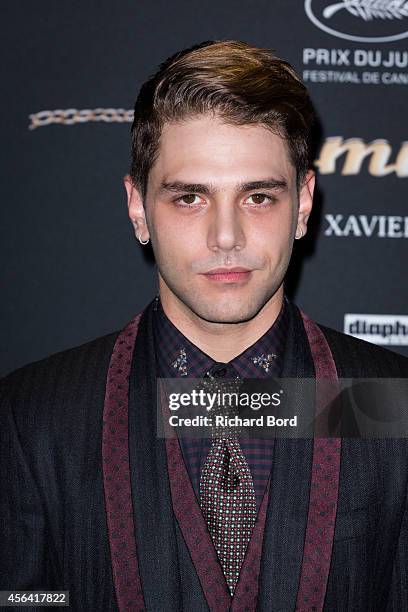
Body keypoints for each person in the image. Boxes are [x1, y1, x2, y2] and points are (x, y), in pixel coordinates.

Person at [1, 39, 407, 612]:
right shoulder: (36, 416)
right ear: (138, 207)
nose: (226, 237)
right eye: (190, 197)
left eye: (259, 197)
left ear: (304, 204)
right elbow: (25, 598)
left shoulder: (390, 405)